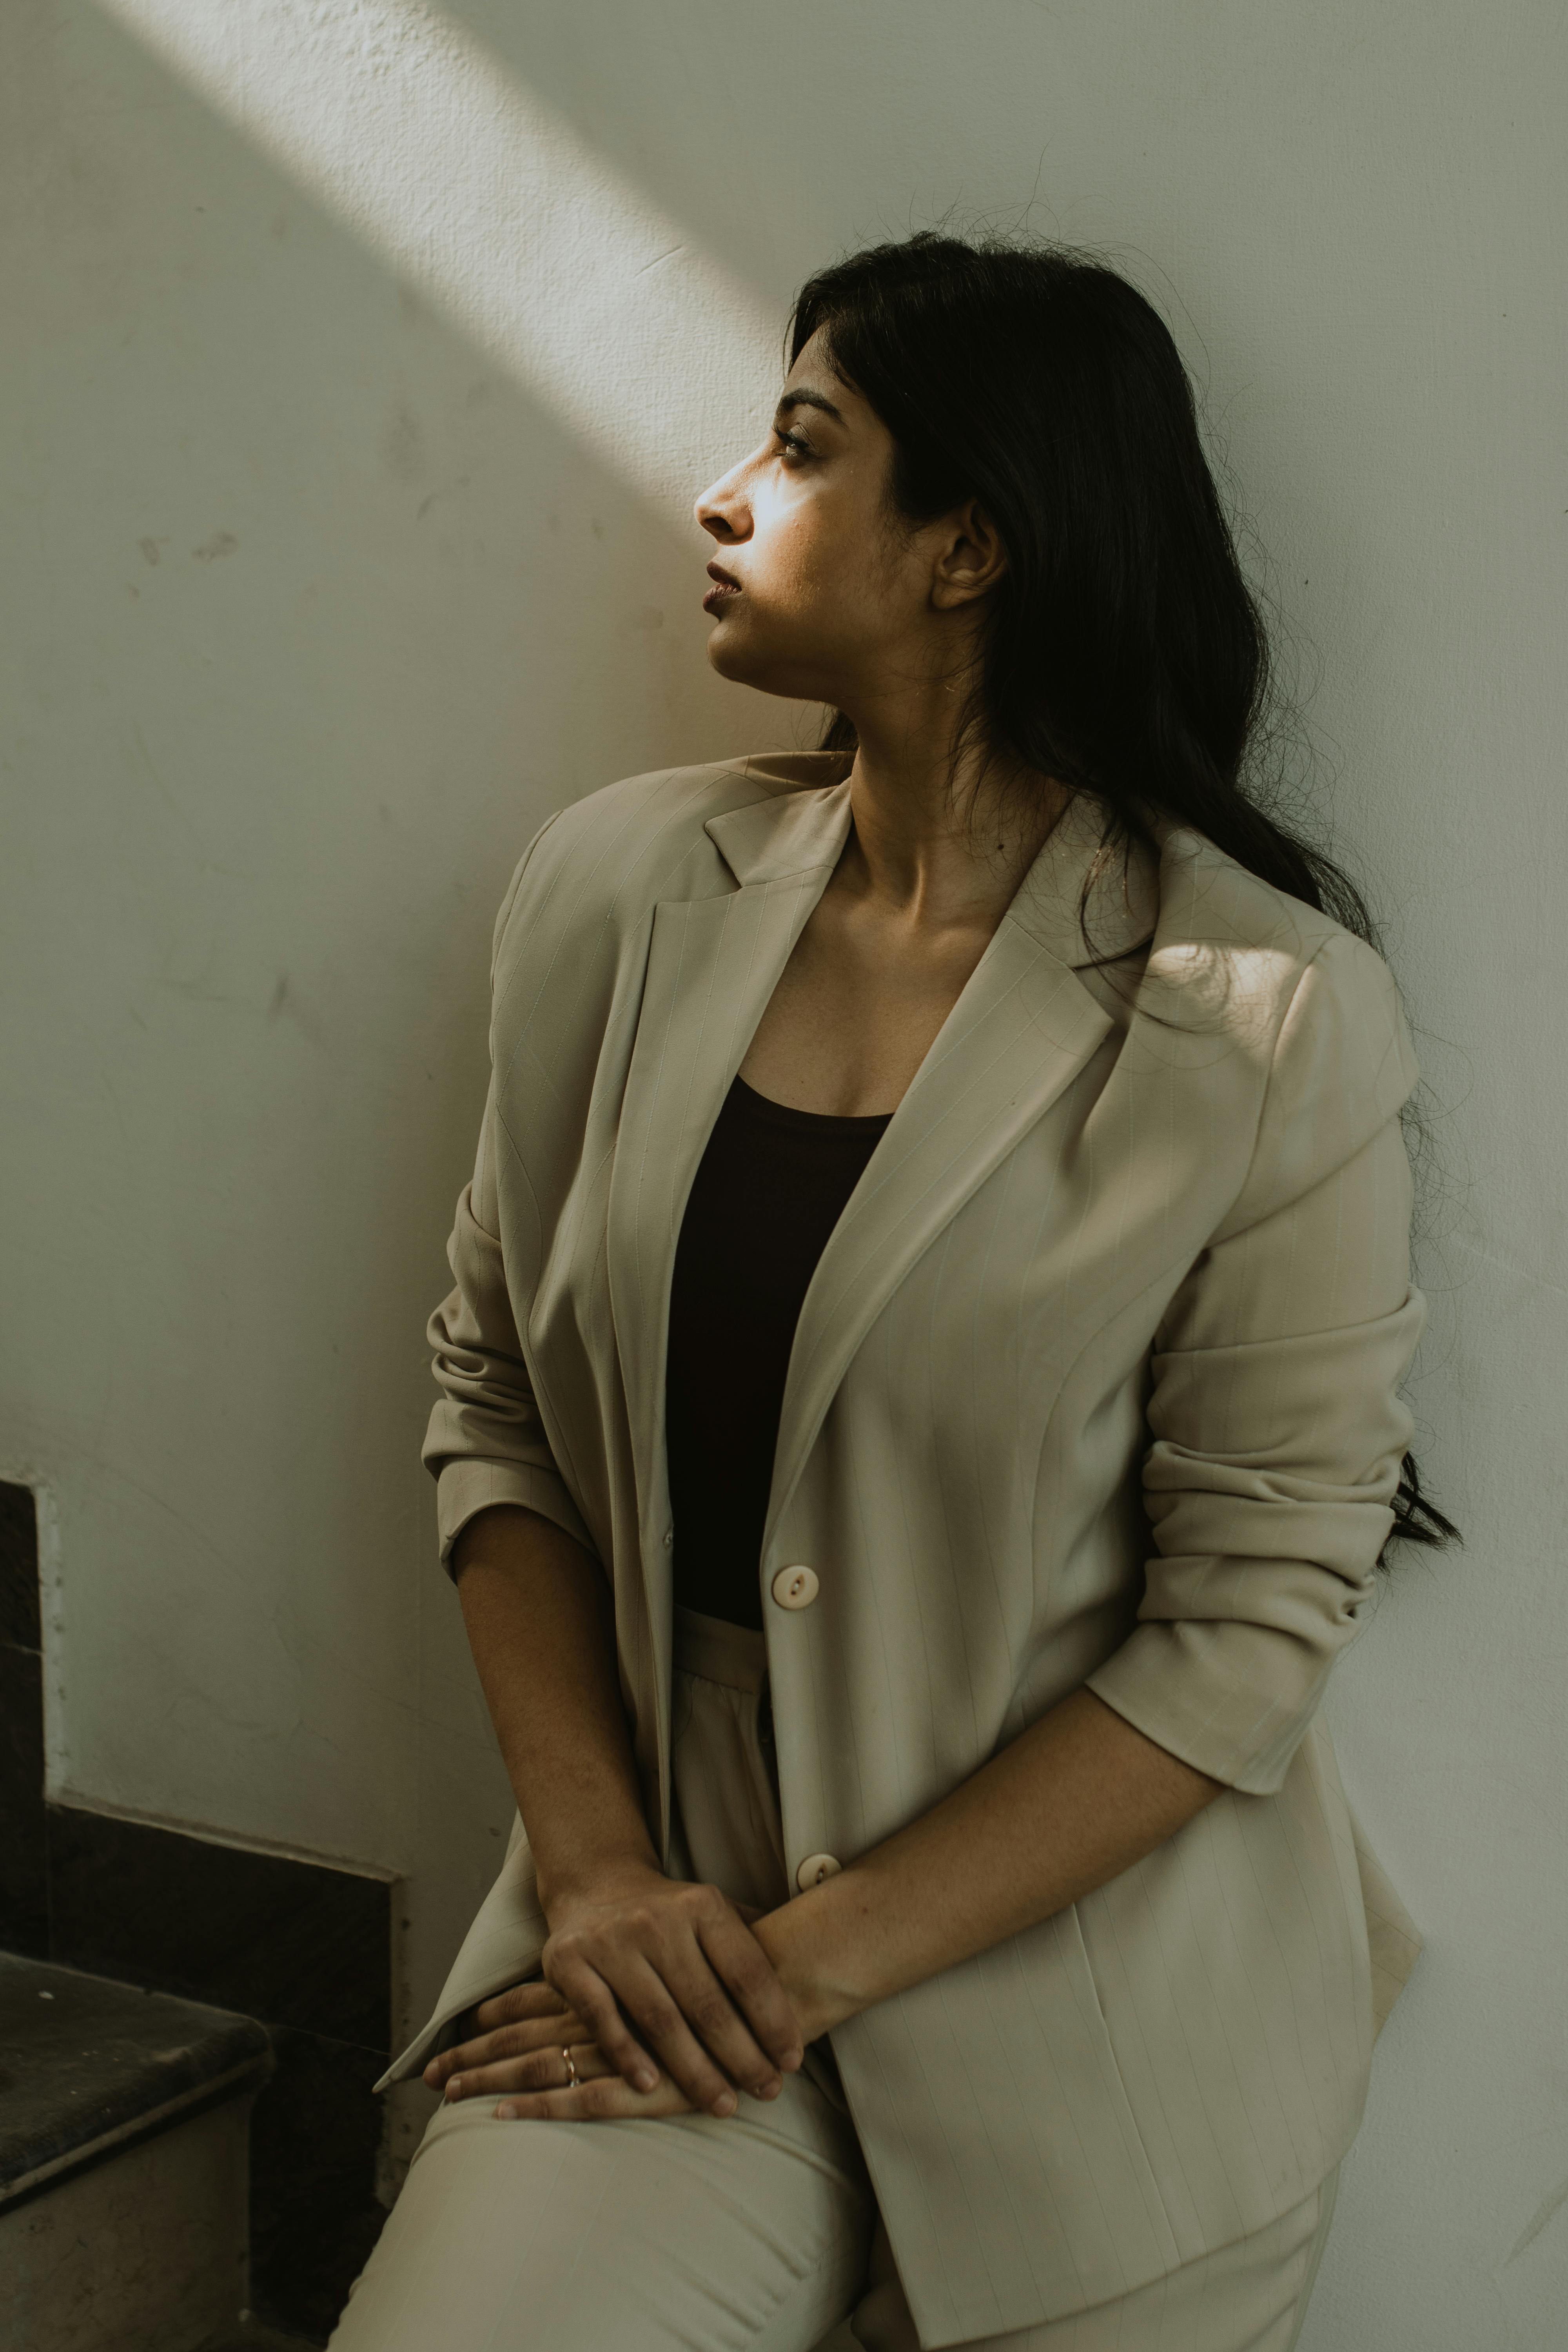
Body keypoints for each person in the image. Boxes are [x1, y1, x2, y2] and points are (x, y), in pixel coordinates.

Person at [330, 232, 1454, 2352]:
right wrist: (592, 1871)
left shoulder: (1263, 1010)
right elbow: (493, 1403)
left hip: (1091, 2013)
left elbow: (1252, 1624)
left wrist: (811, 1965)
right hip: (658, 1935)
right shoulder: (613, 895)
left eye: (801, 443)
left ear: (971, 547)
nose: (720, 496)